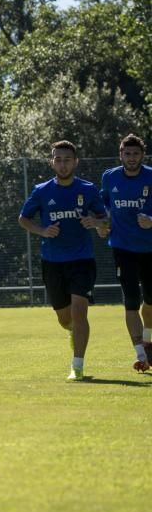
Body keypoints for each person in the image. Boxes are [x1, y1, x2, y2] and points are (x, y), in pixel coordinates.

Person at [19, 140, 107, 381]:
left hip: (82, 260)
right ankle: (72, 332)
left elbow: (105, 219)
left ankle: (77, 366)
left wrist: (97, 223)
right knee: (64, 318)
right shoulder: (41, 190)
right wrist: (42, 231)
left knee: (80, 312)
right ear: (51, 162)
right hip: (52, 262)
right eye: (58, 159)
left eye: (67, 159)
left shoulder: (88, 189)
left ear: (75, 162)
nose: (63, 164)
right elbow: (23, 219)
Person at [97, 134, 152, 372]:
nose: (131, 158)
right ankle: (141, 355)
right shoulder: (110, 177)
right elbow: (104, 205)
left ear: (143, 155)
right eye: (127, 154)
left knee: (150, 303)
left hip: (150, 249)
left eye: (135, 154)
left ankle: (148, 343)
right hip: (122, 248)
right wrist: (103, 223)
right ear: (120, 155)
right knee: (131, 302)